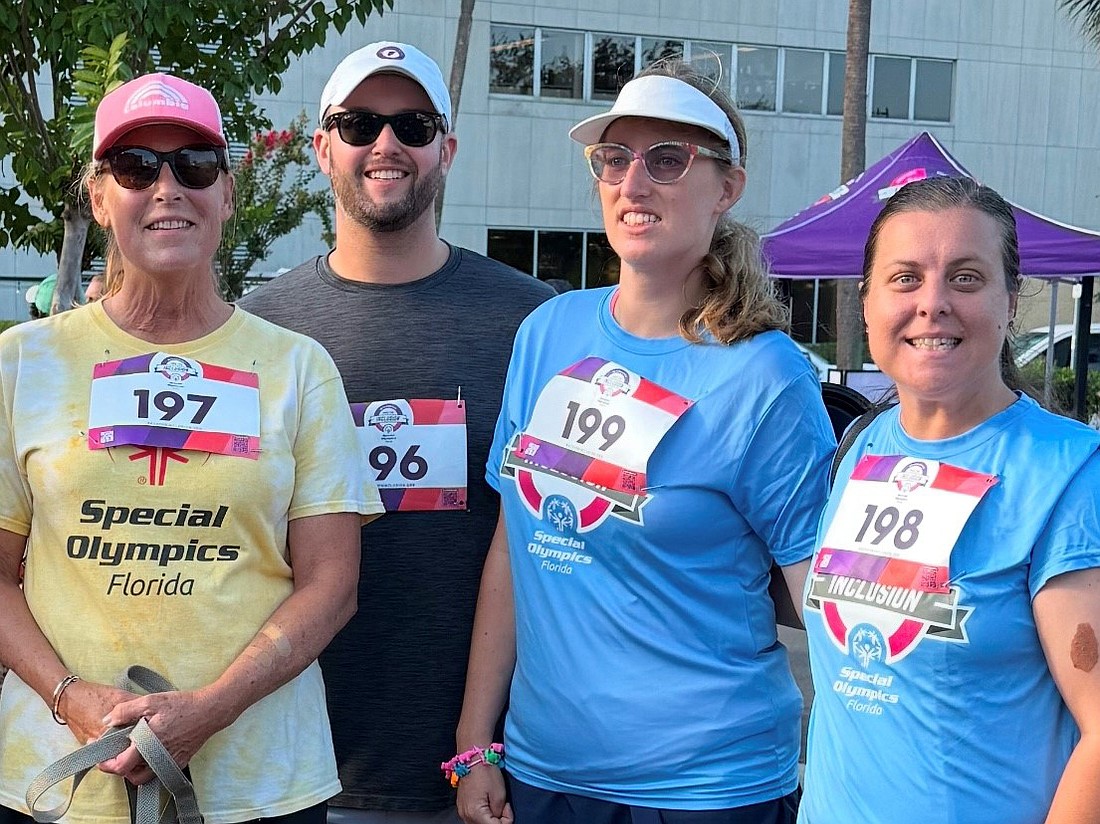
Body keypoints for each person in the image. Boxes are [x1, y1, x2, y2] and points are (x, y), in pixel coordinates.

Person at [455, 61, 835, 824]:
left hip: (709, 789)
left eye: (668, 160)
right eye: (614, 158)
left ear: (727, 188)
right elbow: (513, 546)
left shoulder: (765, 376)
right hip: (544, 773)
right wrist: (475, 743)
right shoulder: (549, 331)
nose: (634, 182)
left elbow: (819, 601)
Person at [0, 72, 382, 824]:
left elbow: (333, 584)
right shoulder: (22, 364)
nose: (167, 187)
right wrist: (71, 698)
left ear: (227, 194)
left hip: (259, 784)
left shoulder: (297, 367)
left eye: (196, 165)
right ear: (99, 198)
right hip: (62, 780)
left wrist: (212, 709)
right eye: (135, 166)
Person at [239, 42, 554, 824]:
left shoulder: (531, 323)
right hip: (292, 763)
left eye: (412, 125)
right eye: (359, 124)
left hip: (485, 768)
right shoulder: (261, 331)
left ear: (446, 149)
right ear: (323, 149)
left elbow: (549, 537)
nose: (386, 144)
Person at [799, 176, 1100, 824]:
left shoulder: (1071, 474)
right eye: (905, 278)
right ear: (867, 302)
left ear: (1010, 301)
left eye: (965, 278)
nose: (932, 303)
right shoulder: (862, 445)